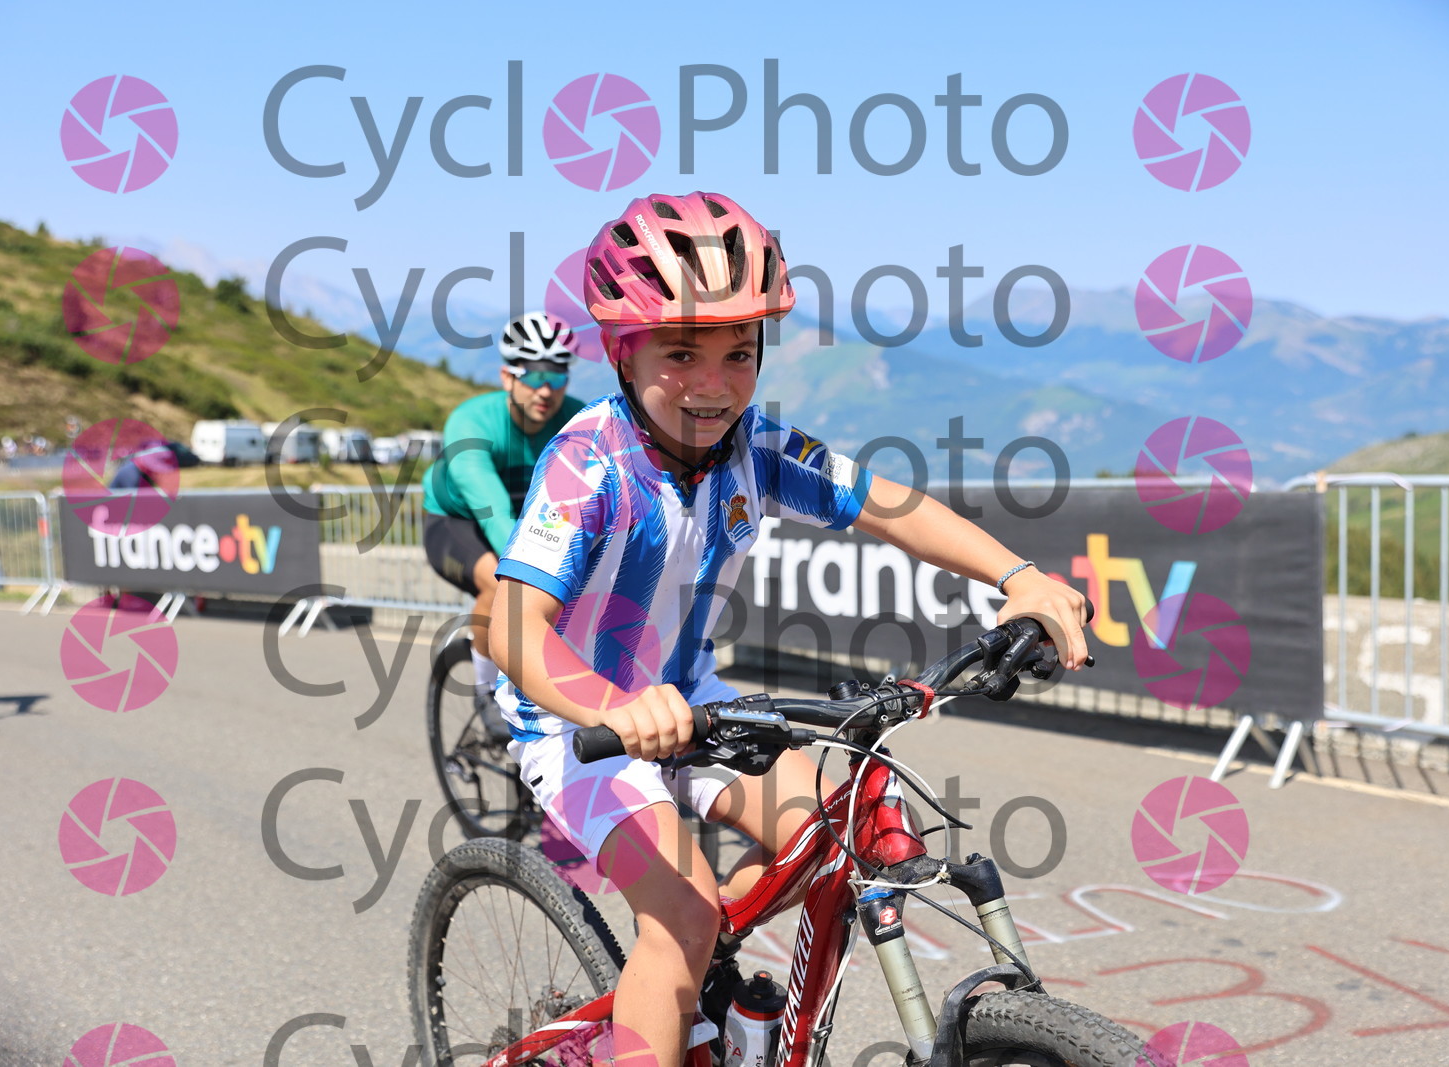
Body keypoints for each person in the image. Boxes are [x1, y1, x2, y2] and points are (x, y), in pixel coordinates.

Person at [490, 191, 1090, 1067]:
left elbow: (888, 505)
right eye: (681, 352)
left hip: (693, 697)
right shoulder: (588, 463)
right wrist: (610, 707)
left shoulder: (755, 446)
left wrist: (1019, 575)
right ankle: (676, 972)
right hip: (578, 720)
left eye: (739, 352)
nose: (714, 383)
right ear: (622, 351)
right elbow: (512, 624)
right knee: (682, 916)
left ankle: (701, 997)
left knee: (828, 839)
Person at [422, 311, 585, 738]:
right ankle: (485, 694)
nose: (546, 389)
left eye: (557, 375)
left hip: (526, 516)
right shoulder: (472, 423)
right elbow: (491, 509)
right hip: (459, 520)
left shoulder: (578, 420)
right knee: (501, 587)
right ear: (507, 377)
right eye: (533, 376)